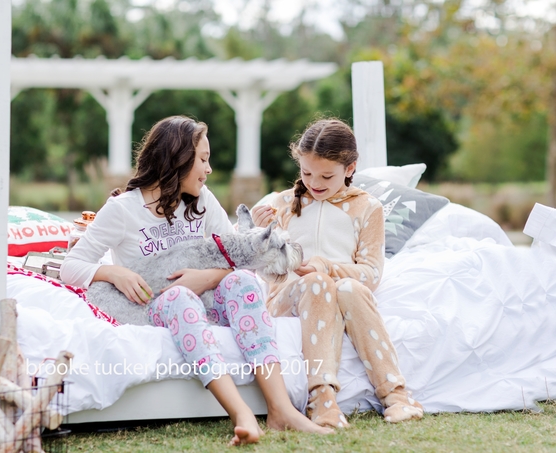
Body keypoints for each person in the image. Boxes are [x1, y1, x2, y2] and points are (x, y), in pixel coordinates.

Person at [60, 115, 331, 445]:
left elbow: (237, 256)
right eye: (202, 159)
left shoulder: (203, 202)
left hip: (205, 300)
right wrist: (113, 272)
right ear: (177, 160)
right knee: (180, 298)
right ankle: (242, 414)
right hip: (155, 305)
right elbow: (71, 266)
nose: (209, 168)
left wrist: (206, 278)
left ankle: (281, 410)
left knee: (243, 283)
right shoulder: (122, 210)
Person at [252, 118, 424, 429]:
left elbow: (371, 273)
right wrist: (257, 230)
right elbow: (261, 267)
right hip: (287, 296)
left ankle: (396, 394)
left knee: (348, 289)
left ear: (350, 168)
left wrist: (326, 266)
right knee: (317, 283)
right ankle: (321, 398)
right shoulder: (283, 204)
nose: (314, 183)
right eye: (306, 173)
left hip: (339, 288)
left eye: (326, 176)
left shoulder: (367, 208)